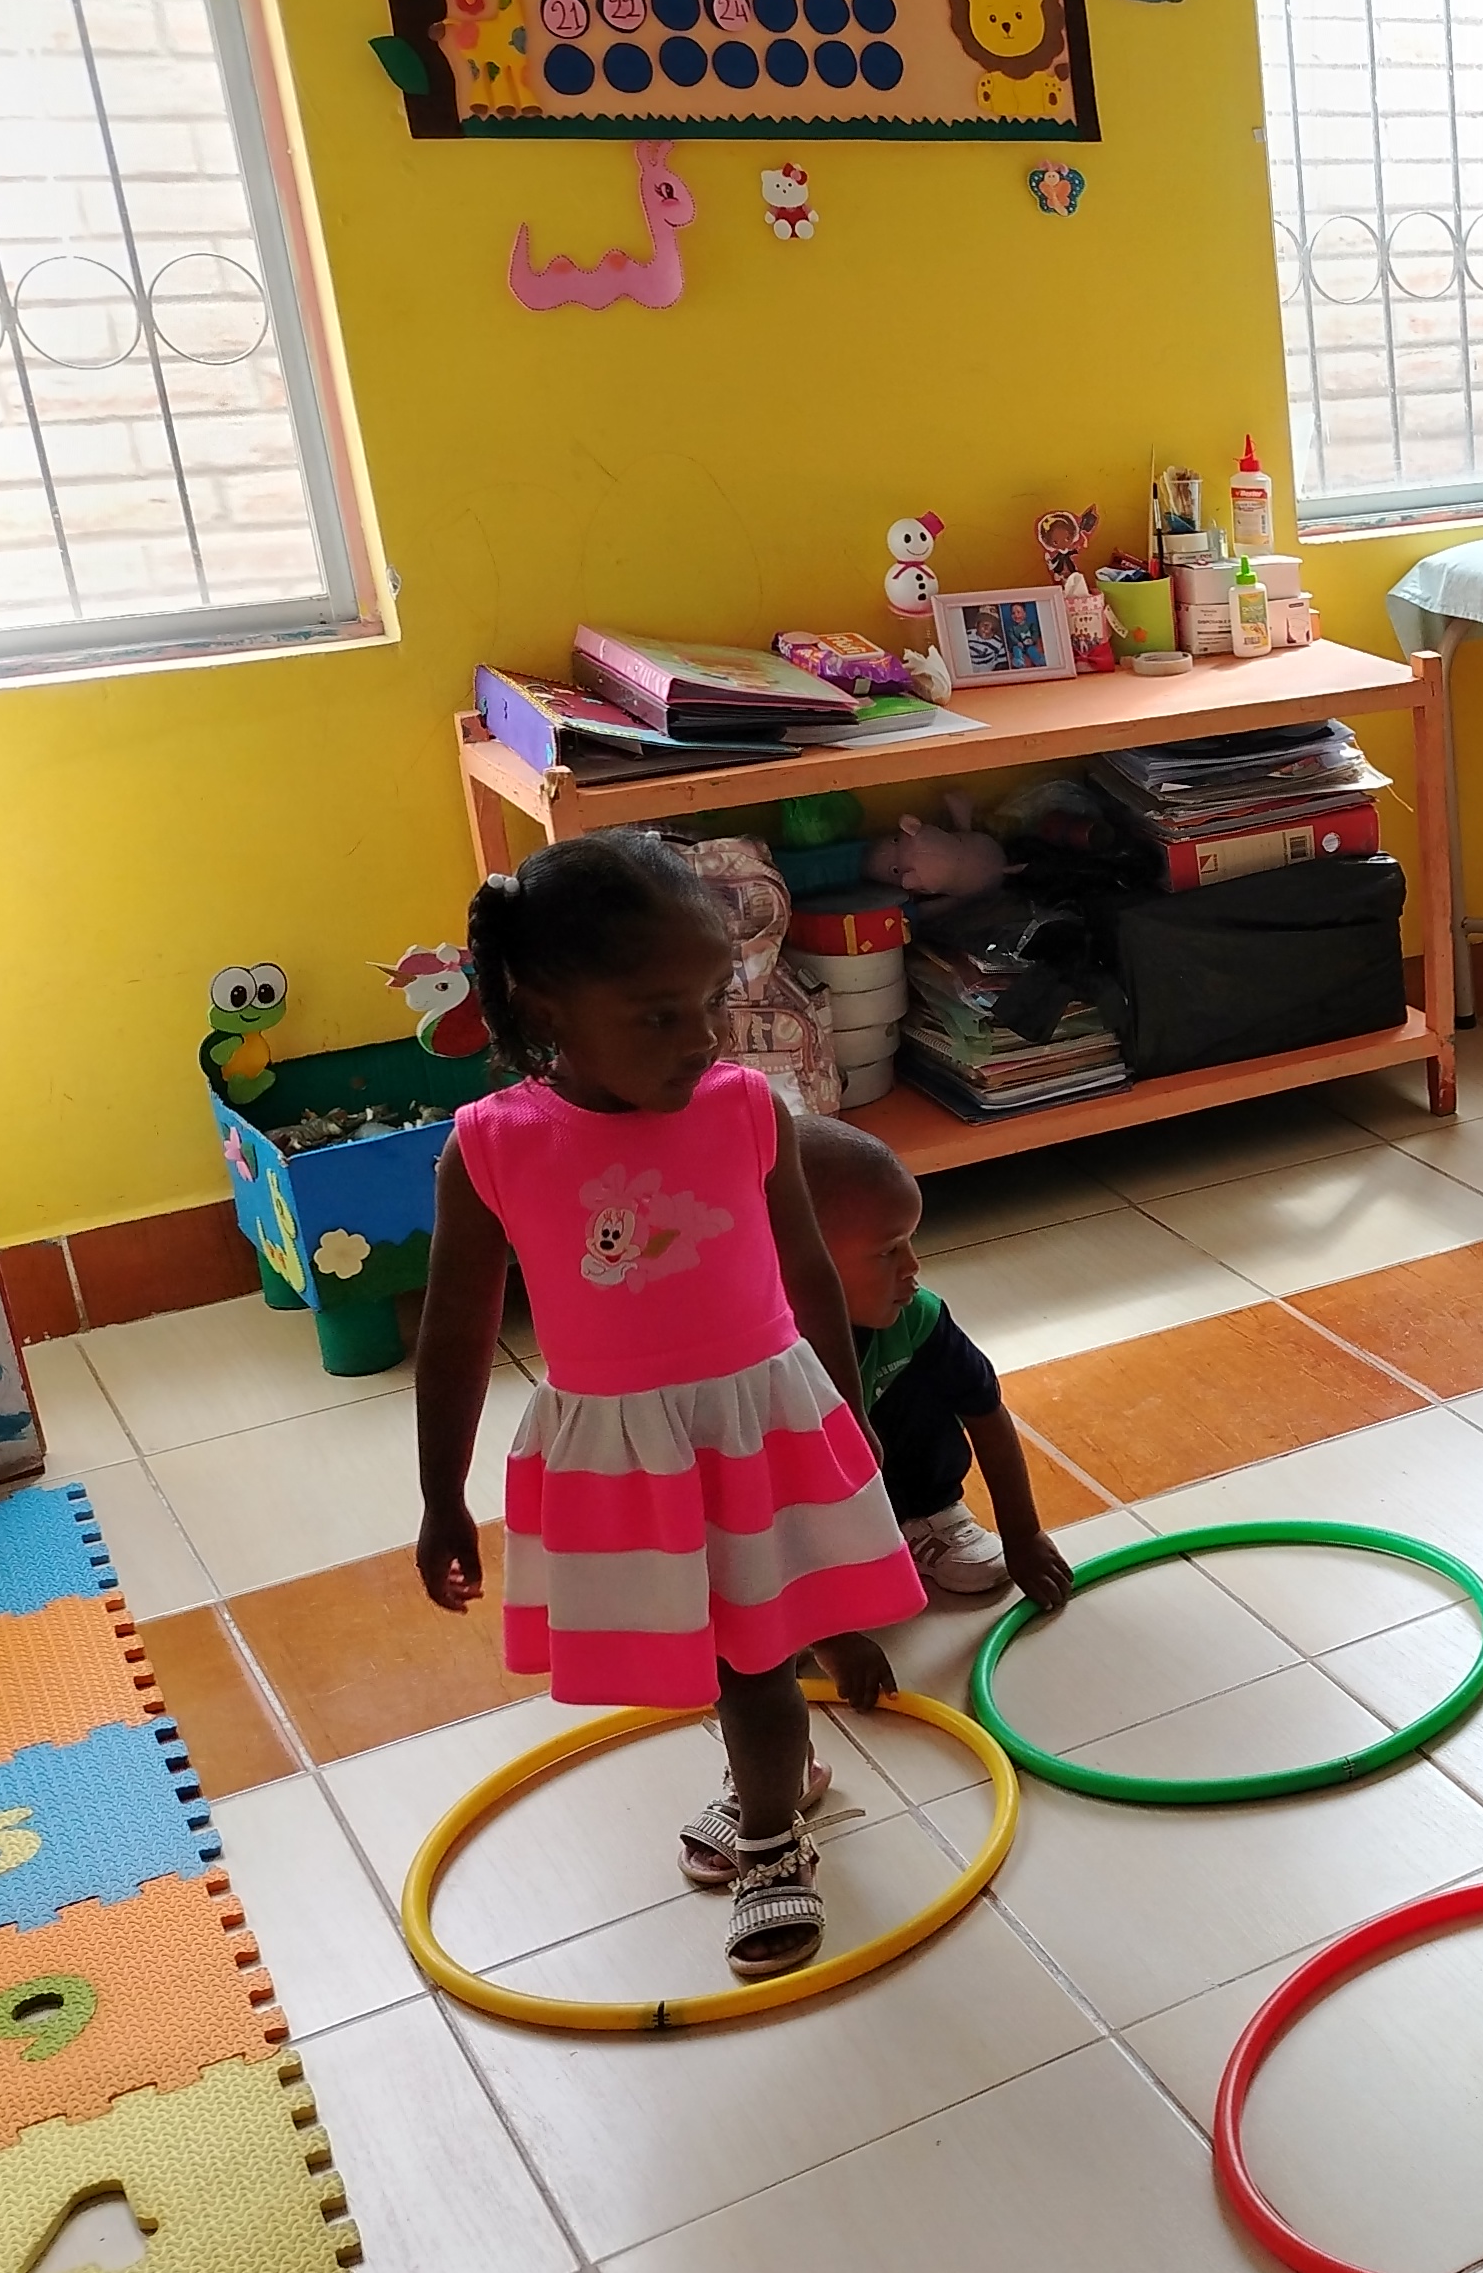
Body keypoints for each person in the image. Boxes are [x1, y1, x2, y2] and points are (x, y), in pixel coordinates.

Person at [408, 834, 924, 1980]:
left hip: (757, 1428)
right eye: (656, 1016)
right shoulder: (490, 1147)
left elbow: (809, 1276)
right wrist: (442, 1498)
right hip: (624, 1454)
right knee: (701, 1646)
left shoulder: (745, 1110)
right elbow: (453, 1332)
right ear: (546, 1007)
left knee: (752, 1660)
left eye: (708, 1005)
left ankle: (773, 1839)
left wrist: (848, 1419)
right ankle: (775, 1776)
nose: (697, 1040)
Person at [790, 1116, 1076, 1708]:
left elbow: (986, 1412)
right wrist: (832, 1635)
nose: (912, 1267)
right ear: (800, 1267)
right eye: (887, 1251)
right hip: (781, 1515)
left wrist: (1022, 1534)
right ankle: (792, 1600)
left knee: (926, 1383)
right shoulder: (753, 1365)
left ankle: (924, 1515)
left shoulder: (916, 1315)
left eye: (910, 1241)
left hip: (873, 1478)